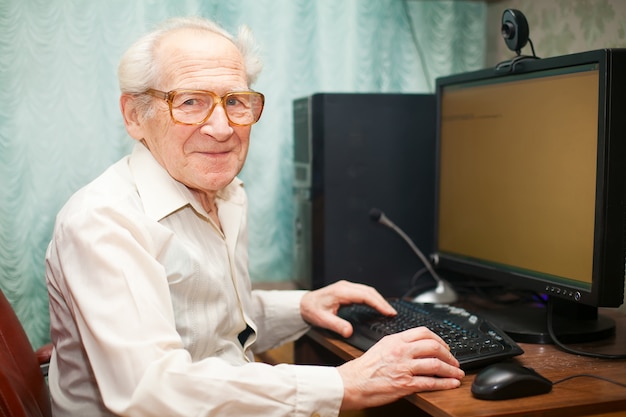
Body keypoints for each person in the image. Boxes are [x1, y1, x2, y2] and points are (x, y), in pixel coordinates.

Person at [45, 16, 464, 417]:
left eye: (235, 101)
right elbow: (153, 389)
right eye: (191, 102)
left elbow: (209, 321)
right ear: (135, 115)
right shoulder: (104, 220)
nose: (222, 127)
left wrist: (302, 305)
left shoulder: (225, 196)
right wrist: (342, 384)